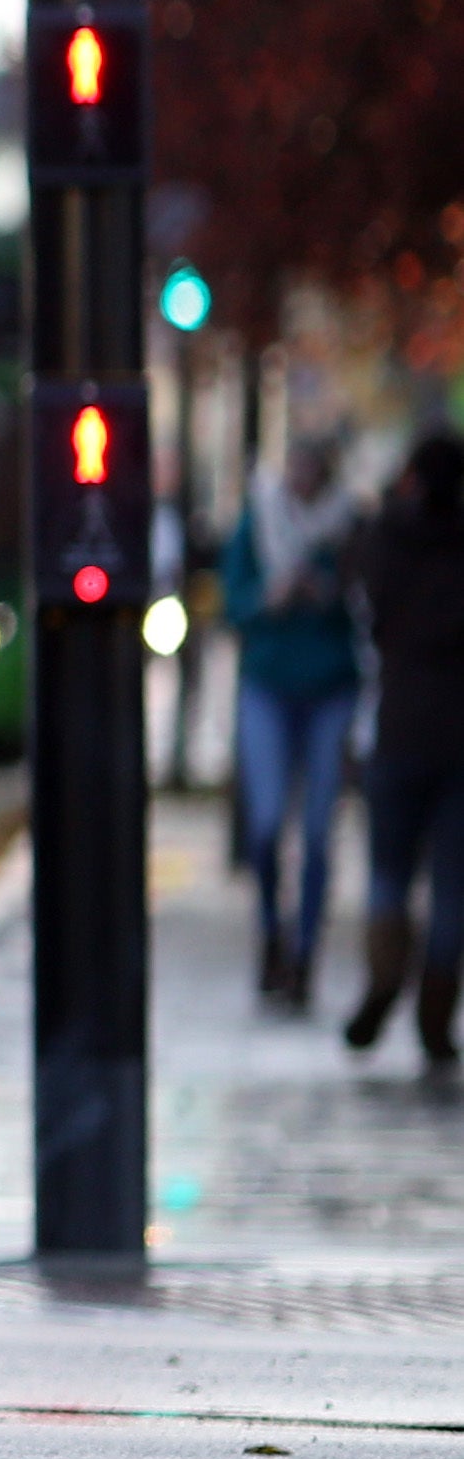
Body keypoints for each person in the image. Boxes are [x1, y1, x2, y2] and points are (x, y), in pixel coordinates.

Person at [226, 428, 366, 1018]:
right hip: (267, 684)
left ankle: (304, 952)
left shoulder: (350, 526)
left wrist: (328, 593)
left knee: (316, 832)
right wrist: (268, 598)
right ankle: (269, 932)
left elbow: (368, 601)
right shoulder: (257, 520)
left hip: (331, 688)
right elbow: (234, 601)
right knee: (264, 824)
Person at [349, 432, 464, 1062]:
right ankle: (437, 1010)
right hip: (458, 738)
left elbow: (366, 605)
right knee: (452, 884)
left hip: (396, 730)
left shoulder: (387, 537)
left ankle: (385, 977)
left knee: (388, 872)